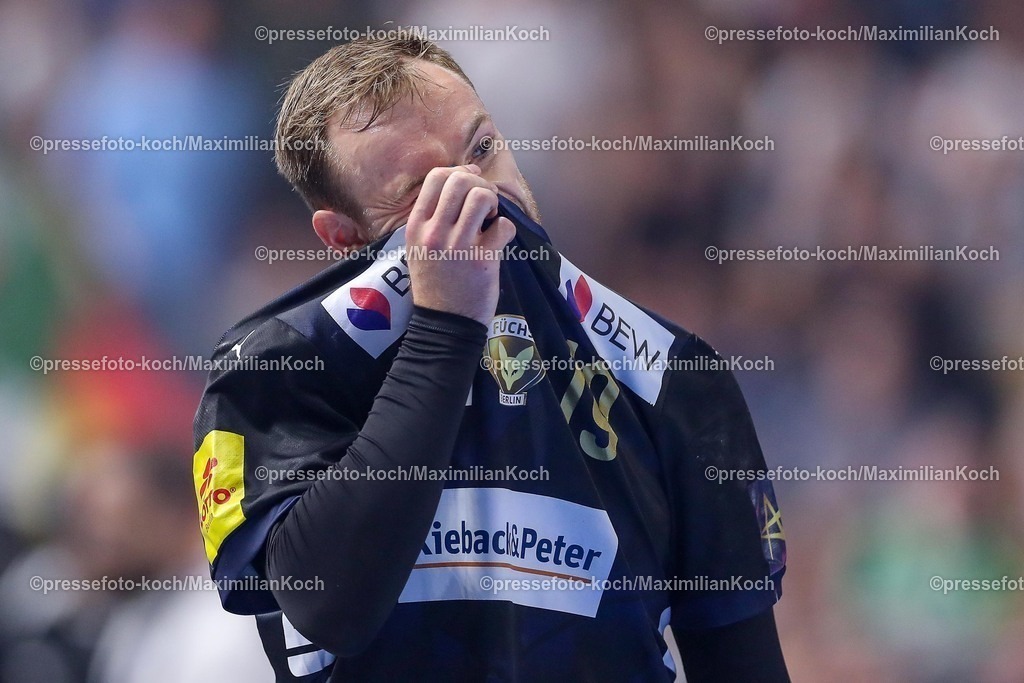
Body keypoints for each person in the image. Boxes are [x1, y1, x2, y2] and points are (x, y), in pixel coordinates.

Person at [193, 36, 789, 681]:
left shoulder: (667, 373)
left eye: (482, 150)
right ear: (343, 235)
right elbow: (325, 605)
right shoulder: (278, 368)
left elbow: (744, 664)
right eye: (427, 192)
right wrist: (446, 330)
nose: (480, 196)